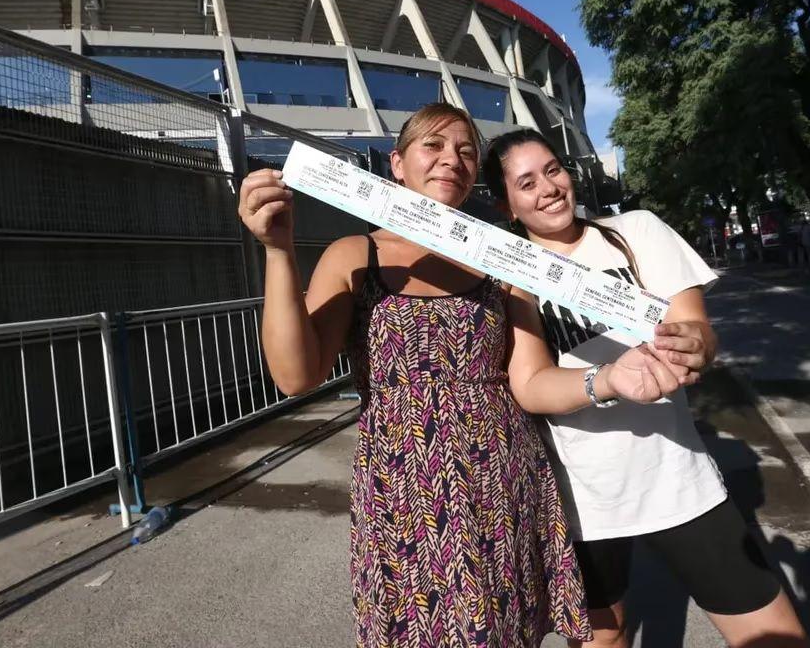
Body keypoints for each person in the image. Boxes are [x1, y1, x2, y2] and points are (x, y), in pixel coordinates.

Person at [237, 104, 696, 647]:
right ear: (397, 164)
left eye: (465, 151)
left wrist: (609, 378)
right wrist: (278, 250)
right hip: (403, 489)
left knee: (506, 630)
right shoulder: (352, 253)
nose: (450, 159)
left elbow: (531, 380)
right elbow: (296, 375)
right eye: (432, 146)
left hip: (502, 477)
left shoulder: (504, 260)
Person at [482, 129, 810, 648]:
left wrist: (695, 346)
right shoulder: (511, 275)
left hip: (679, 479)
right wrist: (609, 379)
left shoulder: (635, 231)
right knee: (605, 639)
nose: (548, 187)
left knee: (776, 638)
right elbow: (531, 385)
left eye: (553, 170)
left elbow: (697, 329)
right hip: (584, 496)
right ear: (508, 206)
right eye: (526, 183)